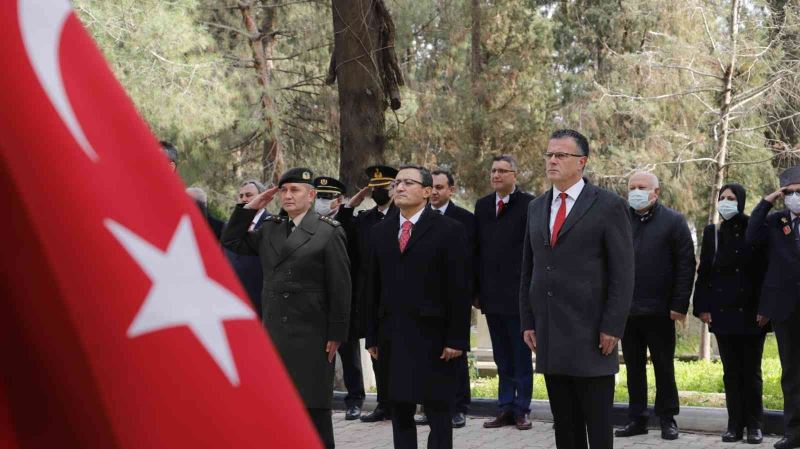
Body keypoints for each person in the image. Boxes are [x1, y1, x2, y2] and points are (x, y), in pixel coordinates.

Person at [519, 129, 634, 449]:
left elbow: (623, 273)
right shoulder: (537, 206)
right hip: (550, 331)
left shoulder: (608, 205)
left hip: (593, 332)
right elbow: (529, 269)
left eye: (561, 155)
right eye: (549, 155)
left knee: (597, 425)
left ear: (581, 162)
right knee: (565, 425)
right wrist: (528, 320)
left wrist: (613, 325)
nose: (552, 160)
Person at [221, 168, 351, 449]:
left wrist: (337, 333)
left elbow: (341, 287)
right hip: (276, 333)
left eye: (295, 190)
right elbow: (231, 242)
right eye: (284, 190)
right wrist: (249, 208)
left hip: (313, 334)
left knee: (314, 412)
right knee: (279, 410)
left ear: (312, 195)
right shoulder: (271, 228)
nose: (288, 195)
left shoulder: (327, 231)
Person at [365, 165, 470, 449]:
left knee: (438, 414)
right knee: (400, 411)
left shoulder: (449, 230)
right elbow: (371, 288)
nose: (399, 187)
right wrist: (372, 336)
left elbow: (460, 289)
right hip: (393, 336)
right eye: (397, 183)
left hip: (435, 339)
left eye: (408, 183)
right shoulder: (380, 232)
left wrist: (457, 338)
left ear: (426, 191)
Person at [615, 172, 695, 441]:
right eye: (632, 187)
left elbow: (686, 265)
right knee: (633, 367)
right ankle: (637, 418)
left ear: (656, 192)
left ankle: (667, 418)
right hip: (626, 310)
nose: (635, 192)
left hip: (661, 310)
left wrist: (679, 305)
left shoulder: (673, 221)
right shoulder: (620, 219)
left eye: (642, 187)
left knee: (663, 366)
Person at [693, 183, 768, 444]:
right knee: (731, 372)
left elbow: (765, 273)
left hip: (752, 314)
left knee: (752, 371)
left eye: (731, 198)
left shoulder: (756, 228)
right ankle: (734, 425)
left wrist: (765, 309)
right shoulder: (713, 232)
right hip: (722, 314)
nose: (725, 202)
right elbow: (704, 273)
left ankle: (755, 425)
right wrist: (702, 307)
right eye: (722, 197)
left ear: (741, 201)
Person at [475, 155, 535, 430]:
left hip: (519, 297)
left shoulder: (530, 205)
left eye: (502, 171)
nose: (496, 175)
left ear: (515, 174)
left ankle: (522, 409)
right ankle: (505, 408)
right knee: (501, 356)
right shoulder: (483, 206)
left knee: (520, 356)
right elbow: (478, 250)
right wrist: (477, 290)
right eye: (493, 171)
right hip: (492, 295)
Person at [336, 165, 399, 422]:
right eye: (373, 187)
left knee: (393, 353)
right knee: (369, 351)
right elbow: (340, 229)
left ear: (394, 188)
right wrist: (350, 205)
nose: (377, 191)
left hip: (395, 294)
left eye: (383, 186)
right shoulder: (365, 219)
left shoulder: (402, 217)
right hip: (367, 296)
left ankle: (399, 403)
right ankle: (380, 404)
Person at [415, 169, 476, 429]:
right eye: (433, 187)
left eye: (442, 187)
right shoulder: (417, 218)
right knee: (426, 357)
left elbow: (473, 259)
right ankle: (429, 406)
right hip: (423, 302)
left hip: (454, 298)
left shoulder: (464, 219)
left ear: (451, 190)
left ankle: (459, 407)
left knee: (456, 354)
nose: (437, 192)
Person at [746, 166, 800, 449]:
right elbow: (751, 236)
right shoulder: (776, 221)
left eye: (799, 192)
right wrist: (767, 201)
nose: (794, 197)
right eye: (789, 193)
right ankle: (794, 432)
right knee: (791, 372)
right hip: (786, 309)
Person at [315, 175, 366, 419]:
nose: (323, 202)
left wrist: (347, 210)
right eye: (319, 197)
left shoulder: (351, 224)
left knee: (349, 354)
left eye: (328, 197)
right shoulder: (308, 222)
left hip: (343, 299)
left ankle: (355, 399)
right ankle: (319, 398)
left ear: (340, 200)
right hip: (314, 299)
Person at [224, 180, 271, 318]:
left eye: (249, 195)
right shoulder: (229, 227)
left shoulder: (273, 225)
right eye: (241, 196)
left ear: (262, 197)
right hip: (232, 301)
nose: (244, 199)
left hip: (261, 303)